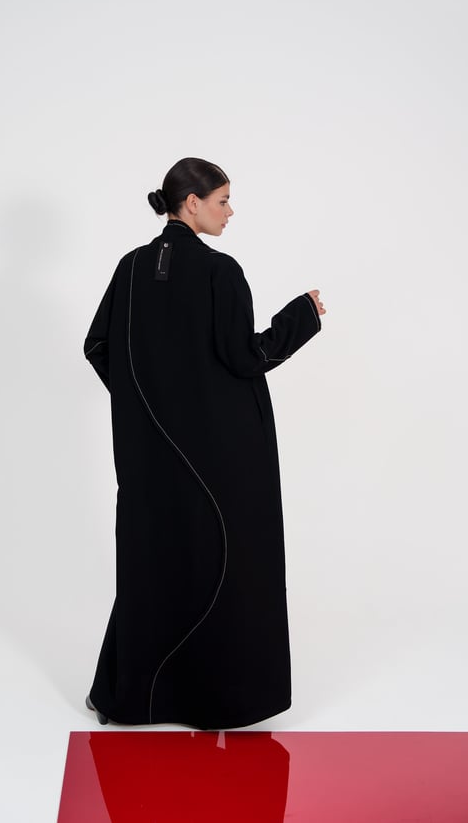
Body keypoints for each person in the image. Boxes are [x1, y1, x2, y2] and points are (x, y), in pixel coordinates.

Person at [84, 157, 325, 730]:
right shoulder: (220, 271)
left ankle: (136, 698)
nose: (230, 211)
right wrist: (302, 317)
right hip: (223, 456)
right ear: (191, 203)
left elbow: (98, 347)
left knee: (153, 561)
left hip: (147, 455)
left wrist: (145, 411)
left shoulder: (130, 267)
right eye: (222, 200)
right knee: (229, 563)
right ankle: (221, 702)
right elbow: (245, 356)